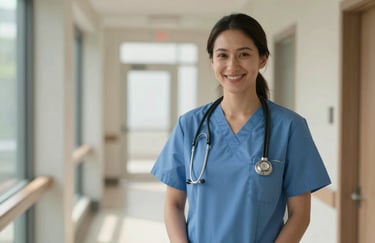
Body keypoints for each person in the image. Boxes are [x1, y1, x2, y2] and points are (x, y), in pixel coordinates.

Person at [151, 13, 331, 243]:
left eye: (244, 54)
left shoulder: (290, 127)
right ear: (212, 62)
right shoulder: (190, 126)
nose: (232, 65)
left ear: (263, 59)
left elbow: (300, 215)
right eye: (222, 55)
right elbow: (173, 205)